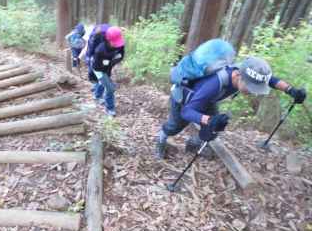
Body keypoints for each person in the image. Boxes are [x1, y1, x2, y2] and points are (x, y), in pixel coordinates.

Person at [156, 39, 307, 159]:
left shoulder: (245, 70)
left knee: (213, 129)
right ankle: (161, 140)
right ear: (238, 76)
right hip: (184, 99)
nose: (253, 92)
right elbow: (187, 112)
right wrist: (208, 120)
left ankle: (194, 144)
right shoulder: (214, 84)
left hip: (207, 99)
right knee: (175, 126)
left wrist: (290, 90)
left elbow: (270, 80)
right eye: (250, 87)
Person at [85, 24, 125, 116]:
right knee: (110, 88)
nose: (117, 45)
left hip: (108, 66)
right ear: (108, 40)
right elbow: (97, 66)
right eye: (114, 42)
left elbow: (121, 55)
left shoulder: (120, 45)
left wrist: (113, 61)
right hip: (98, 69)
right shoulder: (100, 50)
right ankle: (110, 108)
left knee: (102, 82)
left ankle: (97, 96)